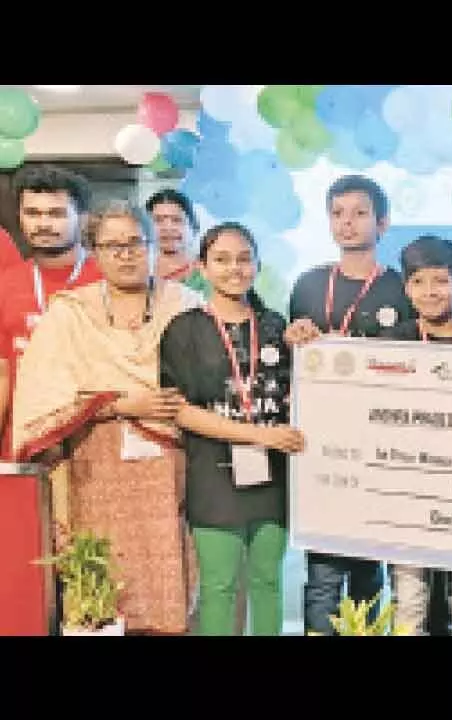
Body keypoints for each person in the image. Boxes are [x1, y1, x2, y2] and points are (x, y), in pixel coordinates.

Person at [10, 199, 205, 635]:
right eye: (112, 245)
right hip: (94, 473)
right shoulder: (69, 314)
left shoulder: (187, 306)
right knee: (101, 586)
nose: (126, 254)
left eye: (136, 242)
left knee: (169, 588)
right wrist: (117, 404)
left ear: (154, 246)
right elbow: (42, 396)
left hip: (173, 471)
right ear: (94, 253)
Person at [283, 174, 416, 635]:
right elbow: (287, 361)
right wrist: (293, 338)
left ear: (383, 222)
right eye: (337, 214)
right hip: (320, 446)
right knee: (322, 574)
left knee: (368, 571)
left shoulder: (402, 288)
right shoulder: (308, 284)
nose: (347, 223)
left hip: (381, 446)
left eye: (359, 213)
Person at [160, 222, 305, 636]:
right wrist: (258, 434)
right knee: (219, 587)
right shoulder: (183, 329)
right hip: (214, 477)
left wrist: (310, 347)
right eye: (221, 260)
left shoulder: (277, 326)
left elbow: (299, 392)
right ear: (202, 268)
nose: (234, 269)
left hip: (273, 476)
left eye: (244, 259)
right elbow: (180, 410)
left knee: (268, 582)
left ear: (257, 265)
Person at [378, 234, 452, 635]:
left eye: (441, 281)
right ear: (406, 287)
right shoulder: (390, 343)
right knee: (408, 601)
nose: (430, 292)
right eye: (419, 282)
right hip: (408, 487)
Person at [0, 166, 103, 459]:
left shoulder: (107, 281)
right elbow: (2, 375)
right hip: (24, 446)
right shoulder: (6, 284)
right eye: (32, 213)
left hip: (93, 445)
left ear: (82, 219)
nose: (43, 224)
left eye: (56, 214)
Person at [146, 189, 207, 294]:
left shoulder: (209, 273)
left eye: (177, 220)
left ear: (194, 226)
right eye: (158, 220)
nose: (167, 228)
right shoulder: (137, 273)